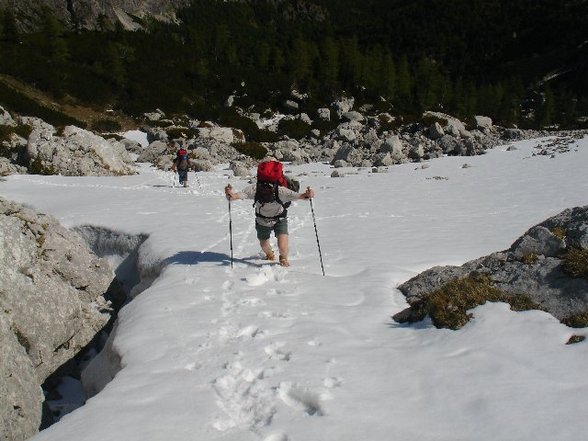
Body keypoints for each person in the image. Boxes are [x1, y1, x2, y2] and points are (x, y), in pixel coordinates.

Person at [224, 168, 315, 267]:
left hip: (279, 219)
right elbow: (235, 197)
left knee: (283, 248)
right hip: (262, 221)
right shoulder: (254, 189)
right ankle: (270, 254)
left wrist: (308, 194)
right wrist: (230, 193)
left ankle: (283, 258)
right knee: (264, 245)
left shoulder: (281, 191)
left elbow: (301, 196)